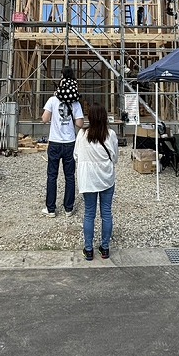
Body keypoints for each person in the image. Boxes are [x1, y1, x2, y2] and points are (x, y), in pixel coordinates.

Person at [74, 103, 118, 260]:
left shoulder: (82, 134)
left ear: (89, 117)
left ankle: (89, 249)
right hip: (106, 177)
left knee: (89, 213)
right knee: (106, 212)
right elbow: (115, 157)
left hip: (88, 179)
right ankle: (105, 248)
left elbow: (76, 155)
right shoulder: (110, 134)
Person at [41, 67, 84, 217]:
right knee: (69, 176)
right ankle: (68, 208)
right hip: (70, 142)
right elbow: (79, 124)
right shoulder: (75, 102)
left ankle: (51, 209)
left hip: (54, 142)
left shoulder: (53, 100)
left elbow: (45, 119)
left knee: (52, 175)